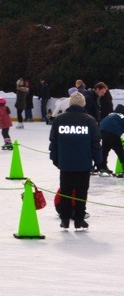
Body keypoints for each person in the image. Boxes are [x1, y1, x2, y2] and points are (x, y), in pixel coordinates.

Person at [49, 91, 102, 229]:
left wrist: (55, 159)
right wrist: (99, 160)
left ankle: (65, 219)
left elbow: (53, 142)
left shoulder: (59, 120)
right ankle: (79, 219)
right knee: (81, 193)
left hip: (65, 164)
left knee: (65, 192)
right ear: (83, 104)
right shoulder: (89, 120)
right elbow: (96, 143)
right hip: (83, 164)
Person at [99, 105, 124, 174]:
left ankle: (102, 167)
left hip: (102, 130)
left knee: (105, 149)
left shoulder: (111, 114)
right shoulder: (122, 116)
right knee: (119, 150)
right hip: (113, 132)